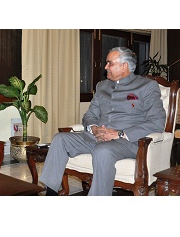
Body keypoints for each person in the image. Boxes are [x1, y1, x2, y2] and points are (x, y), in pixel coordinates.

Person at [39, 46, 166, 196]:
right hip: (96, 136)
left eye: (110, 63)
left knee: (103, 150)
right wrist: (93, 128)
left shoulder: (146, 86)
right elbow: (90, 115)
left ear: (124, 66)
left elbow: (157, 122)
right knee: (60, 139)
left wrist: (119, 134)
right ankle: (51, 194)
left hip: (128, 142)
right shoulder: (102, 86)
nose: (105, 67)